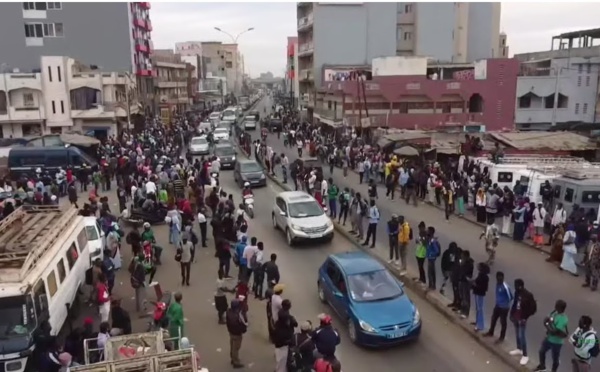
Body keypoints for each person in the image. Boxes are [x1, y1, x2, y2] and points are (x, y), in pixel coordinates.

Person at [535, 299, 569, 372]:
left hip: (556, 342)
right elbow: (547, 319)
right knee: (541, 351)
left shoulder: (563, 319)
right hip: (548, 338)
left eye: (556, 306)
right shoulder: (554, 313)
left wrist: (546, 324)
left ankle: (553, 370)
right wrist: (547, 323)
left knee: (555, 358)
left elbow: (554, 331)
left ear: (560, 308)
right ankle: (542, 366)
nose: (555, 306)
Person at [509, 278, 537, 366]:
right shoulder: (517, 293)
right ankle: (519, 349)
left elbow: (533, 308)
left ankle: (525, 355)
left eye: (516, 285)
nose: (515, 287)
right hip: (516, 317)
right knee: (517, 334)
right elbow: (514, 303)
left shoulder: (528, 295)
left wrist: (525, 317)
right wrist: (511, 314)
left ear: (520, 286)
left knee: (522, 336)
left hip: (522, 318)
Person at [484, 271, 513, 343]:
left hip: (504, 308)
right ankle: (491, 332)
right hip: (498, 305)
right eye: (497, 277)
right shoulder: (497, 284)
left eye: (500, 277)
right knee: (493, 319)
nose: (498, 279)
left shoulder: (505, 286)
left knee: (503, 322)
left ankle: (502, 337)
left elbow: (511, 297)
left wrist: (504, 303)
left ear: (503, 278)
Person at [273, 299, 298, 372]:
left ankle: (278, 368)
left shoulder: (280, 315)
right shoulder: (287, 318)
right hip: (284, 342)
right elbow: (295, 324)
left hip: (279, 342)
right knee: (282, 359)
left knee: (280, 358)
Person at [226, 299, 247, 369]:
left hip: (231, 332)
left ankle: (232, 358)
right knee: (236, 348)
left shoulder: (228, 312)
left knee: (232, 345)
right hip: (237, 334)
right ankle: (236, 362)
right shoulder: (238, 315)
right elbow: (243, 324)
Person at [471, 262, 490, 332]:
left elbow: (484, 287)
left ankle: (480, 325)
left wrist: (474, 284)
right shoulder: (480, 275)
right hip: (477, 293)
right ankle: (477, 322)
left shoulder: (485, 277)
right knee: (478, 309)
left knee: (480, 309)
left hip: (480, 294)